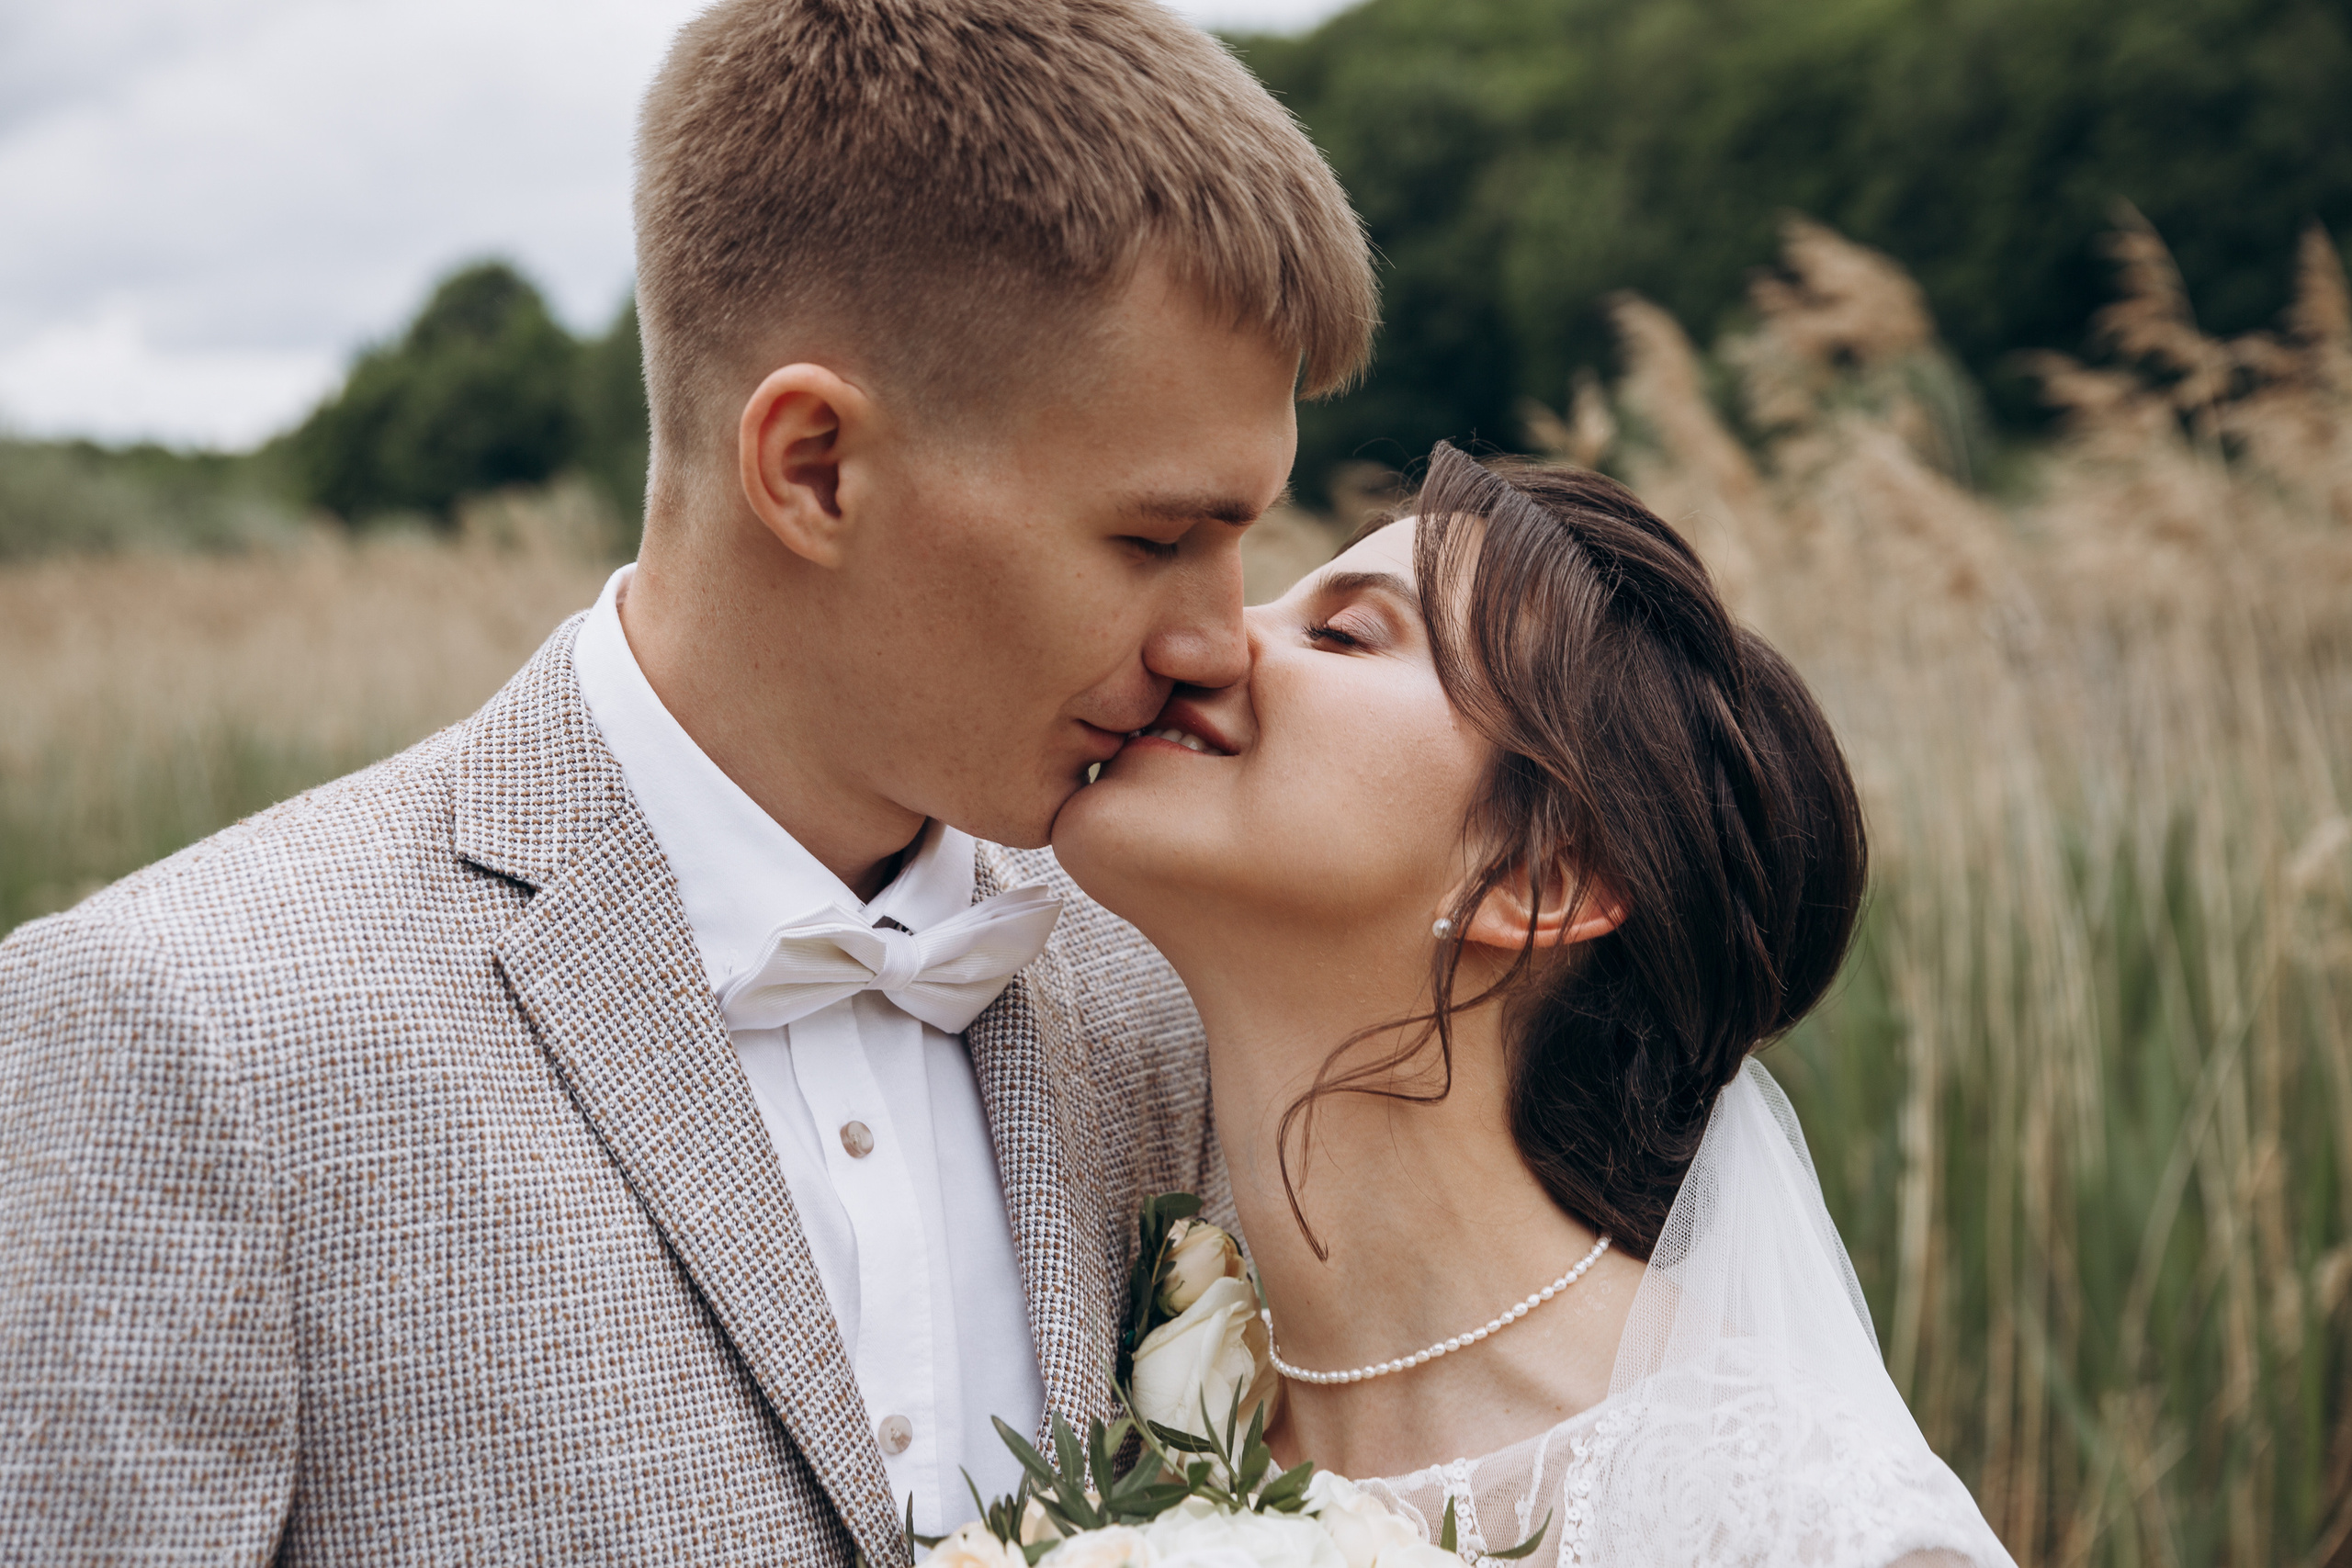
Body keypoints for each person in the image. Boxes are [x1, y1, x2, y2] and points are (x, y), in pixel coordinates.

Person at [0, 2, 1373, 1561]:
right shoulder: (181, 1032)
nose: (1219, 641)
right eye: (1155, 536)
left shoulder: (1170, 982)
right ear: (814, 467)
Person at [1054, 444, 2016, 1566]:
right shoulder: (1130, 1427)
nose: (1210, 640)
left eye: (1345, 634)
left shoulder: (1798, 1525)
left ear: (1538, 880)